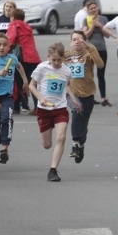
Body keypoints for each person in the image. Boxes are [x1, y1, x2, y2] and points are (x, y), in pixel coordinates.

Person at [29, 42, 76, 182]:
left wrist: (74, 99)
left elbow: (67, 86)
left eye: (59, 60)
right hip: (44, 110)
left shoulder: (67, 71)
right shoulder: (42, 68)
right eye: (53, 60)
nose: (56, 63)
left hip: (60, 109)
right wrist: (40, 97)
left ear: (63, 59)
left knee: (61, 138)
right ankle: (48, 128)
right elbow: (31, 85)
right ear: (48, 58)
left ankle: (53, 170)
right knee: (47, 145)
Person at [0, 32, 30, 164]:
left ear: (9, 46)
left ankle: (4, 149)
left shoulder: (12, 58)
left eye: (5, 45)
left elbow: (19, 66)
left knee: (7, 118)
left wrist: (25, 81)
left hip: (7, 96)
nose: (2, 47)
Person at [65, 30, 104, 163]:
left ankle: (80, 145)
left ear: (85, 42)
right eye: (74, 39)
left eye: (80, 39)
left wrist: (90, 48)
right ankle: (75, 143)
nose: (76, 42)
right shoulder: (66, 55)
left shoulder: (89, 53)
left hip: (88, 93)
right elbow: (52, 63)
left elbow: (100, 64)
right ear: (71, 43)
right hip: (71, 93)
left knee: (83, 121)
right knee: (76, 110)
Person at [77, 0, 112, 106]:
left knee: (101, 74)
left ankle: (103, 98)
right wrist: (92, 26)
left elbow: (107, 35)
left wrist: (100, 25)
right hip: (90, 49)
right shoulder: (85, 20)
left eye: (95, 7)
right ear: (88, 10)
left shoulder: (103, 19)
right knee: (89, 73)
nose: (93, 10)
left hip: (102, 49)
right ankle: (89, 95)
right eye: (91, 8)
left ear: (98, 8)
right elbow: (85, 35)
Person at [6, 8, 41, 113]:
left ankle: (16, 107)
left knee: (17, 82)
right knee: (33, 82)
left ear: (12, 17)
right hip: (33, 57)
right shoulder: (27, 26)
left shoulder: (14, 25)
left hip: (21, 57)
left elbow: (11, 40)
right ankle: (37, 106)